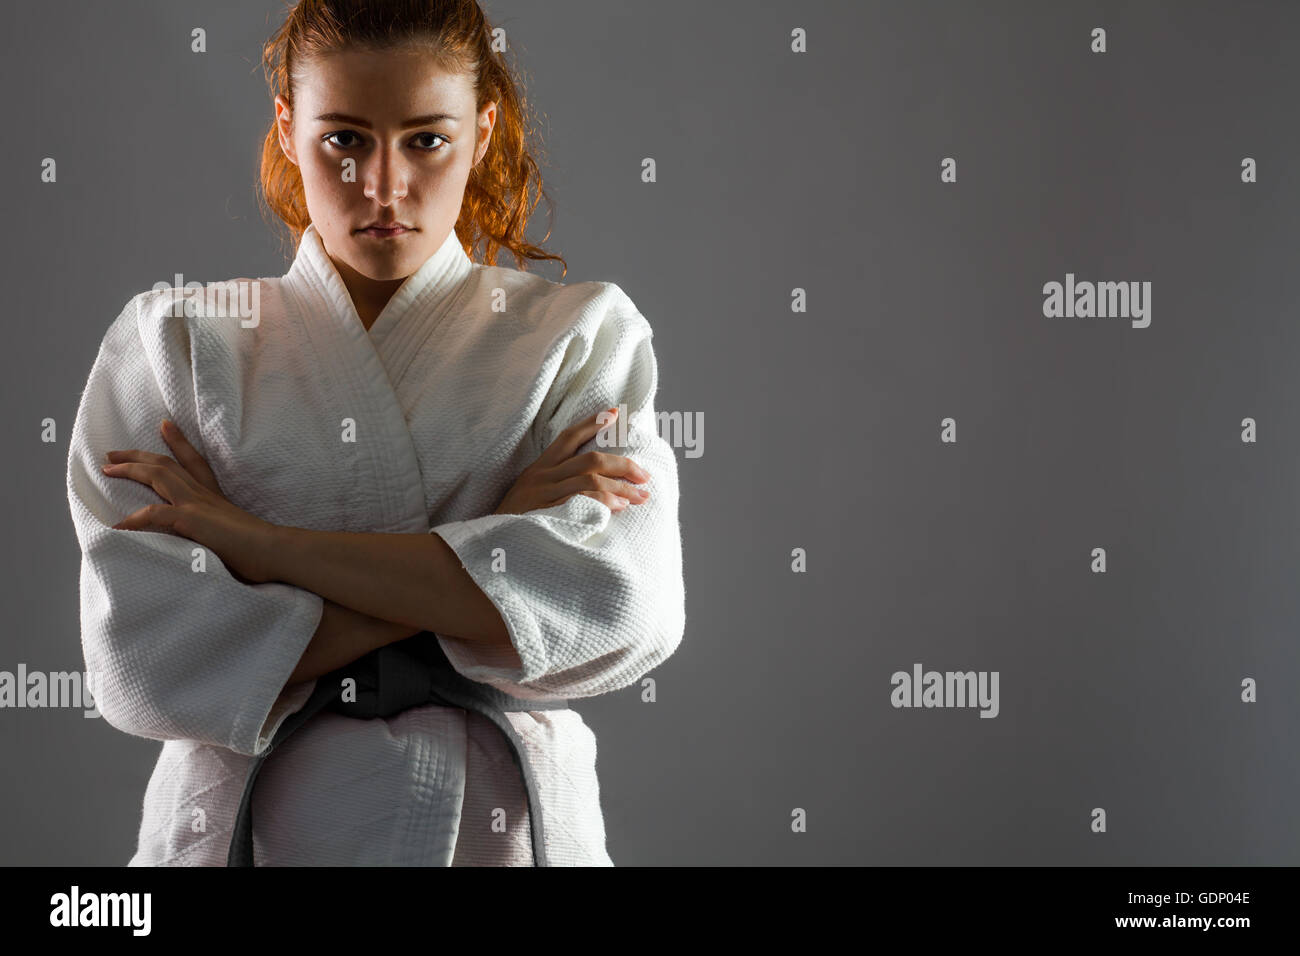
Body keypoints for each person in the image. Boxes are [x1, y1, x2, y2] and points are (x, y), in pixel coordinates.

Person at [64, 0, 686, 866]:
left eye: (426, 139)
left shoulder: (580, 340)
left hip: (498, 837)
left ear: (481, 129)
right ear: (288, 128)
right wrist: (487, 560)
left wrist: (261, 548)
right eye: (344, 140)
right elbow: (147, 661)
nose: (383, 187)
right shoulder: (177, 345)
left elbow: (620, 610)